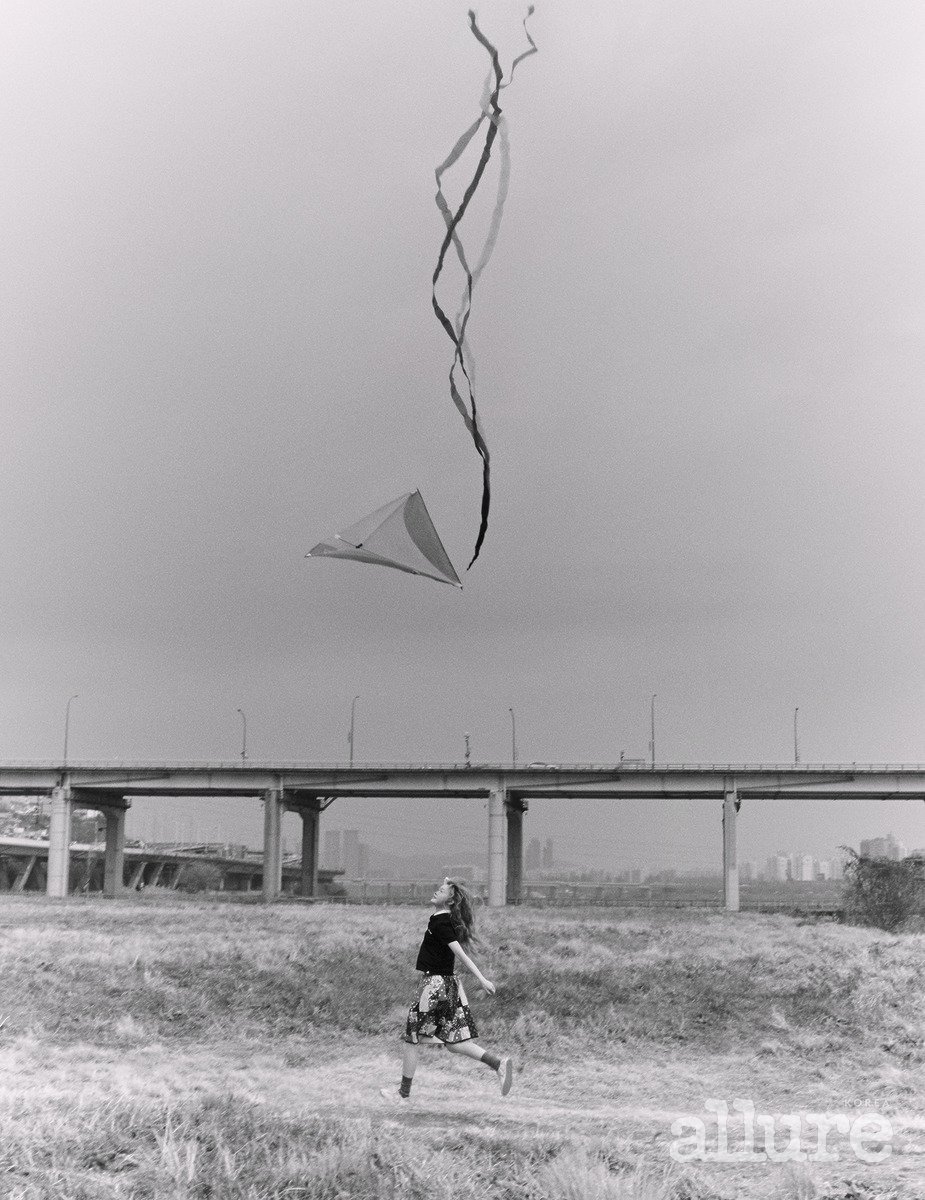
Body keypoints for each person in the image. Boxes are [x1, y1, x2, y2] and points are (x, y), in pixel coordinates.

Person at [380, 877, 513, 1102]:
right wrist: (449, 883)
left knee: (412, 1038)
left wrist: (482, 979)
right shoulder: (442, 920)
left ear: (450, 901)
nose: (436, 892)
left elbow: (460, 954)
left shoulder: (441, 923)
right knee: (454, 1042)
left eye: (441, 891)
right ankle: (498, 1064)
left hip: (434, 986)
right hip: (448, 986)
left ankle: (402, 1094)